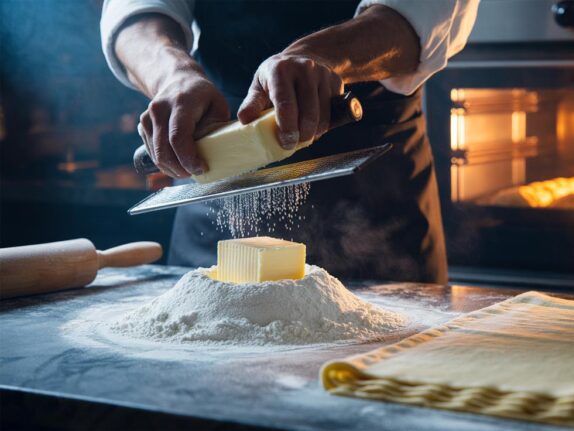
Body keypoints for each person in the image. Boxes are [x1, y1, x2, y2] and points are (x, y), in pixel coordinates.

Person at [101, 0, 478, 283]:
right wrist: (172, 75)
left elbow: (423, 13)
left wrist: (319, 56)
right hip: (213, 170)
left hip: (372, 179)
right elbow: (136, 9)